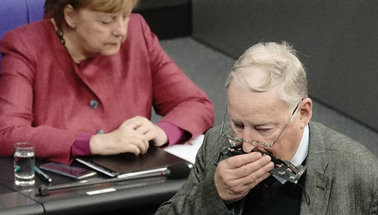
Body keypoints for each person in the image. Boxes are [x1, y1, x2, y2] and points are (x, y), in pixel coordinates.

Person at [155, 42, 378, 214]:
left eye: (263, 129)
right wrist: (215, 194)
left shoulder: (362, 175)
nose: (248, 146)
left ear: (303, 113)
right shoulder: (216, 144)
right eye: (238, 124)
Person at [0, 0, 214, 164]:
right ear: (70, 15)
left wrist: (160, 132)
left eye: (125, 15)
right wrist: (95, 143)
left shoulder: (137, 32)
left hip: (128, 183)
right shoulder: (25, 45)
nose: (121, 31)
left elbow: (196, 104)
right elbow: (8, 134)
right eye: (106, 21)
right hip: (52, 185)